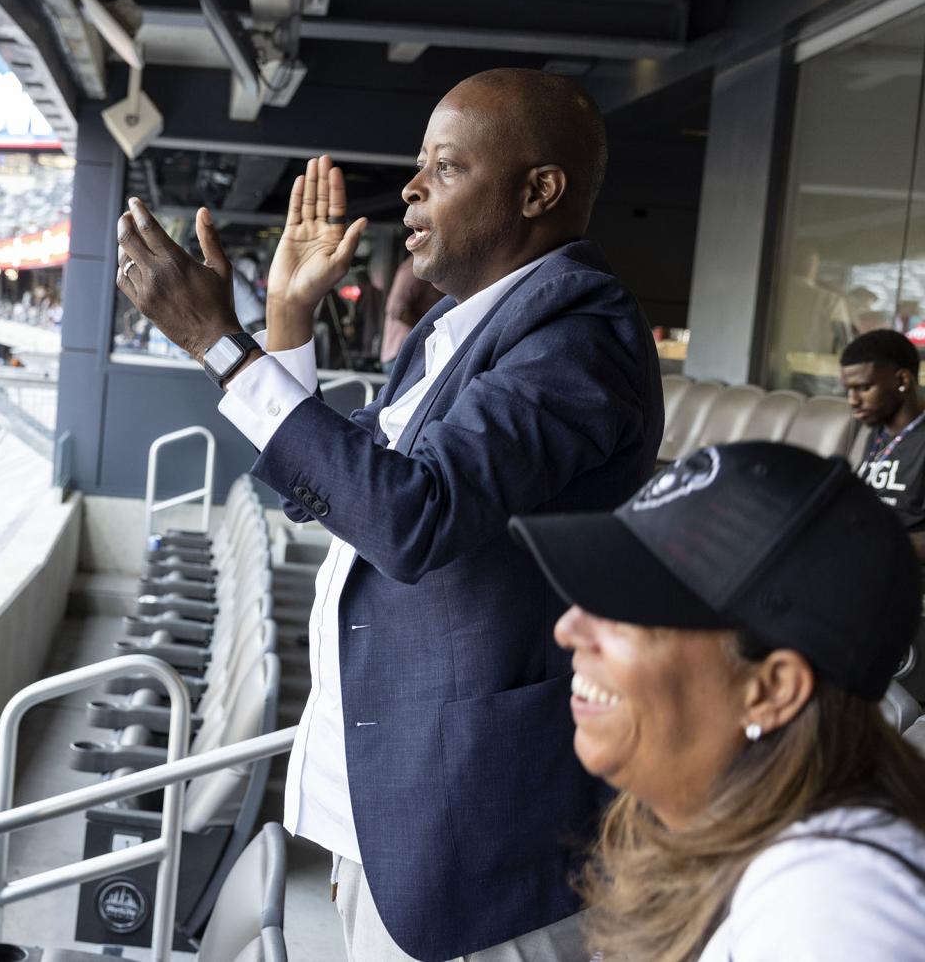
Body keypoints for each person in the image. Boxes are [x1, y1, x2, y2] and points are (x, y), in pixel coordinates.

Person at [114, 68, 663, 961]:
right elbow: (340, 492)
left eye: (444, 168)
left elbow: (416, 518)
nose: (409, 187)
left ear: (539, 190)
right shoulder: (459, 328)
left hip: (472, 833)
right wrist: (285, 321)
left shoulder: (577, 336)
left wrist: (220, 346)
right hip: (385, 801)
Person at [510, 441, 925, 961]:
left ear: (771, 689)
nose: (568, 628)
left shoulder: (834, 906)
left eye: (626, 609)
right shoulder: (722, 827)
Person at [841, 329, 925, 558]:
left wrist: (875, 541)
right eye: (848, 390)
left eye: (864, 388)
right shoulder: (878, 431)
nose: (853, 401)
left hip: (904, 577)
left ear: (902, 381)